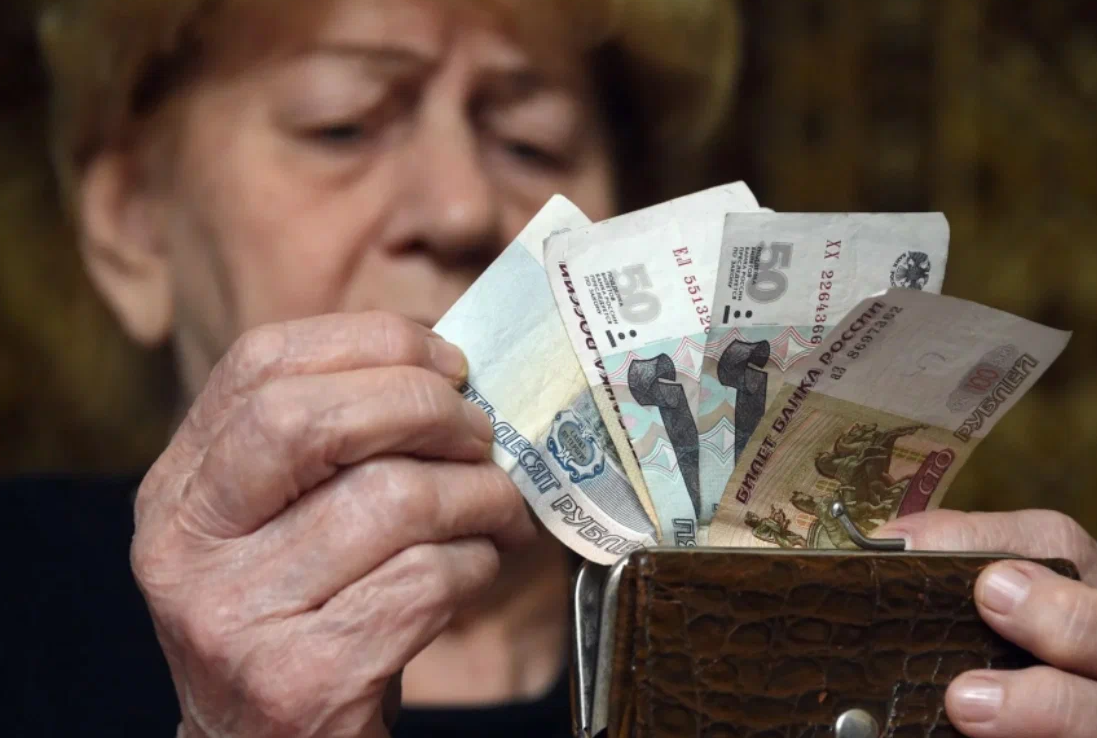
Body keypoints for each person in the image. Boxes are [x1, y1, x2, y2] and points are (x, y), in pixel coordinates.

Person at [4, 0, 1096, 736]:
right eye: (342, 126)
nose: (460, 208)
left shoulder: (862, 632)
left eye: (531, 141)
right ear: (131, 224)